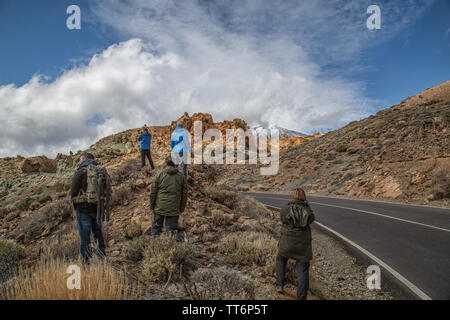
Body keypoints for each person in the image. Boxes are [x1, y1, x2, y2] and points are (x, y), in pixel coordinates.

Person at [276, 187, 315, 300]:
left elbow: (283, 220)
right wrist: (307, 206)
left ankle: (279, 284)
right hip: (302, 246)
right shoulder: (307, 210)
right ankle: (301, 297)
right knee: (303, 269)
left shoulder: (285, 209)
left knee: (281, 259)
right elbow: (311, 218)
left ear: (293, 196)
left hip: (287, 243)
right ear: (304, 197)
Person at [70, 152, 108, 264]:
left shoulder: (81, 171)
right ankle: (101, 257)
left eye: (79, 159)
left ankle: (85, 261)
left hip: (83, 210)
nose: (78, 162)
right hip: (97, 208)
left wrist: (76, 206)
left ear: (84, 159)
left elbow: (73, 192)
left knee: (85, 237)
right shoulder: (100, 171)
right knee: (98, 233)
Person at [149, 156, 187, 237]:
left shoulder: (159, 174)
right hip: (173, 209)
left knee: (156, 229)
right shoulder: (181, 177)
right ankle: (169, 246)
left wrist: (152, 207)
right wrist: (181, 209)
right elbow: (184, 195)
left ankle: (153, 246)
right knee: (171, 232)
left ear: (166, 163)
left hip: (159, 207)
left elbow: (153, 192)